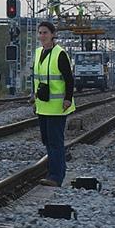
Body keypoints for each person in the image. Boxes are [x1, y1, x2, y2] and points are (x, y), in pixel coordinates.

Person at [32, 20, 75, 186]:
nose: (42, 36)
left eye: (45, 33)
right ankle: (53, 173)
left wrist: (67, 99)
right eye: (40, 33)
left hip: (57, 107)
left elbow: (69, 79)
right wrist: (35, 100)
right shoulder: (38, 53)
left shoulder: (60, 53)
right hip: (43, 105)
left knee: (55, 142)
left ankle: (56, 177)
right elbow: (37, 80)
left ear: (53, 35)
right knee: (47, 141)